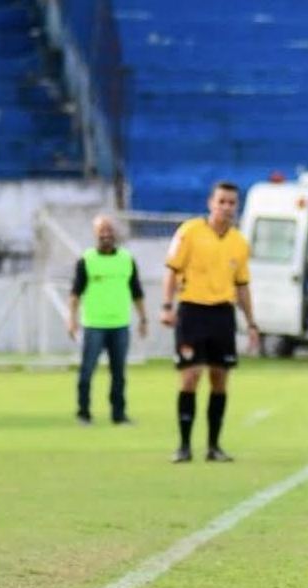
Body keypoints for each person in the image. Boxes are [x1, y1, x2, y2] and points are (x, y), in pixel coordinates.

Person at [160, 181, 260, 463]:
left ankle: (214, 446)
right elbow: (171, 270)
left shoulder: (239, 242)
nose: (227, 207)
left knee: (220, 379)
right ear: (210, 203)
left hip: (222, 314)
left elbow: (242, 285)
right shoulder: (190, 232)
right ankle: (183, 445)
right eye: (222, 202)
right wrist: (167, 306)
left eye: (231, 203)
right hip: (192, 311)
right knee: (191, 376)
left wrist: (251, 323)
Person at [67, 215, 148, 424]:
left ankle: (118, 415)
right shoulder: (86, 260)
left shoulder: (126, 260)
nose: (106, 234)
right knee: (87, 371)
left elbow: (136, 291)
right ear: (95, 233)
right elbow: (75, 293)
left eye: (109, 230)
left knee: (119, 374)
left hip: (120, 324)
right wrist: (72, 319)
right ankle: (83, 413)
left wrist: (143, 319)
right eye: (102, 230)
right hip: (94, 324)